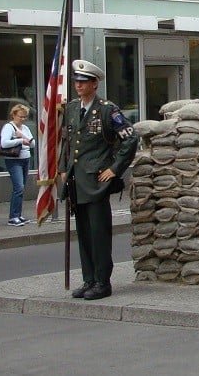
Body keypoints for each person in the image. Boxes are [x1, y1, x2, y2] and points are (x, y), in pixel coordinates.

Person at [61, 59, 138, 301]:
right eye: (76, 81)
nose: (78, 86)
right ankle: (89, 279)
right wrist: (64, 168)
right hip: (76, 180)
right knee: (83, 233)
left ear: (95, 84)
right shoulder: (72, 109)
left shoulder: (107, 109)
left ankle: (103, 281)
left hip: (96, 181)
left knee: (98, 234)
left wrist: (115, 169)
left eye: (83, 82)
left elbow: (130, 138)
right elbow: (68, 142)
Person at [2, 104, 35, 226]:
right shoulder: (9, 127)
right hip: (13, 160)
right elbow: (4, 143)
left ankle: (18, 215)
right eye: (21, 116)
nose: (23, 119)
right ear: (14, 115)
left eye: (25, 117)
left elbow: (32, 144)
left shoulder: (25, 128)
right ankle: (13, 217)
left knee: (21, 188)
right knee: (19, 187)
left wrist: (23, 137)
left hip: (25, 158)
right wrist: (20, 140)